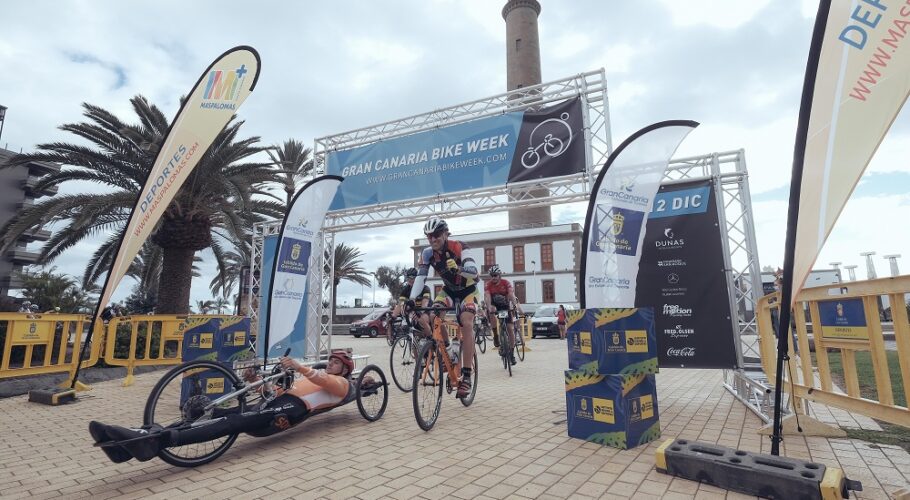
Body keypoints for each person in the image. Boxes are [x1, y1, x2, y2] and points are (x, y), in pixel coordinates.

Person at [89, 351, 358, 463]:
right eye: (330, 360)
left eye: (336, 362)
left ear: (345, 369)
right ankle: (137, 440)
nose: (331, 363)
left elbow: (323, 380)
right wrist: (255, 382)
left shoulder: (342, 384)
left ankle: (159, 441)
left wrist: (301, 367)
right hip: (279, 403)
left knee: (233, 423)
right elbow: (275, 392)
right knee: (216, 414)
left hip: (292, 411)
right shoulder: (312, 378)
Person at [409, 216, 478, 398]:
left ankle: (467, 376)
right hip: (448, 291)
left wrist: (459, 269)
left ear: (446, 234)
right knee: (433, 316)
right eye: (429, 236)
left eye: (437, 235)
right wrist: (411, 300)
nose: (433, 239)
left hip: (468, 290)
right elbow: (421, 277)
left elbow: (474, 273)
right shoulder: (427, 254)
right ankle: (448, 351)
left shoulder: (459, 246)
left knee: (466, 322)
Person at [483, 265, 524, 365]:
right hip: (495, 305)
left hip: (505, 306)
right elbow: (487, 296)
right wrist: (489, 306)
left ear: (499, 275)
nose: (494, 277)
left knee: (510, 329)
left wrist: (516, 306)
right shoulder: (488, 285)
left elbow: (511, 295)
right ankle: (496, 335)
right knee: (491, 311)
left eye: (495, 275)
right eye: (492, 275)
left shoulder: (506, 283)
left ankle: (511, 353)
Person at [390, 268, 432, 340]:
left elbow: (425, 303)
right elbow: (400, 304)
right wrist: (393, 316)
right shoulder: (406, 290)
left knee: (422, 319)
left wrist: (420, 312)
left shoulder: (425, 288)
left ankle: (431, 338)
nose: (410, 280)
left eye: (413, 278)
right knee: (409, 324)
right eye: (408, 278)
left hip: (425, 310)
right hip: (414, 311)